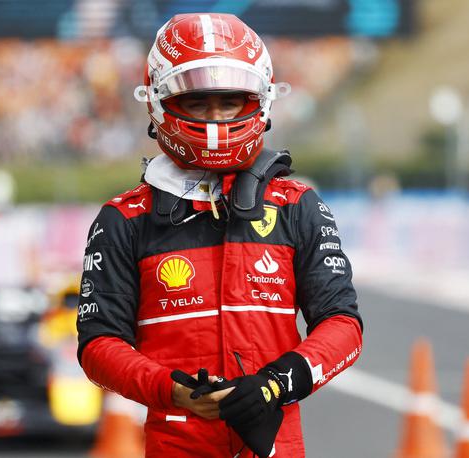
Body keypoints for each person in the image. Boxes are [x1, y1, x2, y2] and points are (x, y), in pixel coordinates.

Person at [76, 13, 363, 458]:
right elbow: (98, 343)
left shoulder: (297, 206)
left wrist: (275, 384)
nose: (214, 119)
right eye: (196, 102)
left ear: (261, 100)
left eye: (230, 101)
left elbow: (343, 325)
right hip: (175, 443)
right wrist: (170, 390)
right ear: (159, 103)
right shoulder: (123, 219)